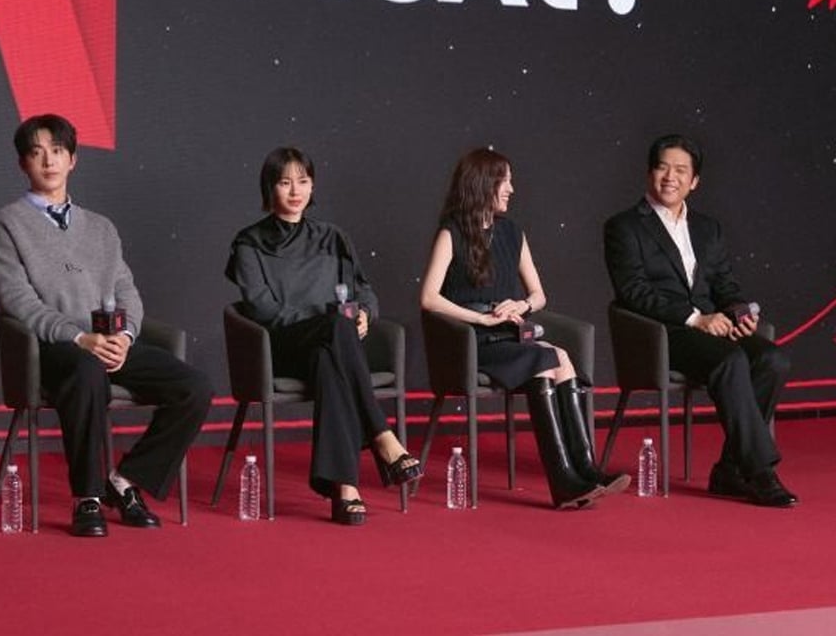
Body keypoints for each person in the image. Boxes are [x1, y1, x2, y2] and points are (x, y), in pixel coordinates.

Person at [0, 113, 213, 537]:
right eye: (37, 153)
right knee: (87, 370)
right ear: (22, 163)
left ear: (73, 160)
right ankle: (86, 497)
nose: (48, 161)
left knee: (195, 387)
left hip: (108, 343)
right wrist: (78, 337)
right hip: (49, 349)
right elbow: (18, 302)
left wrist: (124, 337)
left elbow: (127, 291)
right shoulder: (5, 225)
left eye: (57, 151)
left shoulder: (101, 228)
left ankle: (123, 481)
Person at [417, 148, 629, 509]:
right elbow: (429, 298)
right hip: (470, 339)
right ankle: (563, 480)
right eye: (505, 180)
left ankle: (585, 470)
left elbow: (539, 295)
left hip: (507, 333)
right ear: (482, 183)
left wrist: (522, 305)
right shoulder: (452, 233)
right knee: (545, 360)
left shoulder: (512, 232)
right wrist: (480, 319)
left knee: (561, 357)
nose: (511, 189)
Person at [225, 147, 422, 525]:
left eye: (303, 181)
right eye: (285, 182)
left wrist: (365, 314)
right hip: (278, 348)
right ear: (269, 188)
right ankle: (382, 435)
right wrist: (329, 319)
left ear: (313, 186)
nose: (295, 191)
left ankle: (344, 488)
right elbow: (263, 310)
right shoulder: (249, 243)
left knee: (329, 359)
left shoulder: (333, 236)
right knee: (334, 327)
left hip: (330, 347)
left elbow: (364, 291)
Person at [602, 134, 796, 507]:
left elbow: (725, 284)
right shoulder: (623, 226)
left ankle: (729, 470)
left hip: (712, 327)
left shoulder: (708, 228)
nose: (670, 177)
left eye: (680, 170)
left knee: (773, 359)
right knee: (730, 359)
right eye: (662, 168)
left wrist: (739, 313)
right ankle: (759, 471)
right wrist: (695, 319)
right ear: (649, 173)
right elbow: (633, 292)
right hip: (663, 333)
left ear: (694, 181)